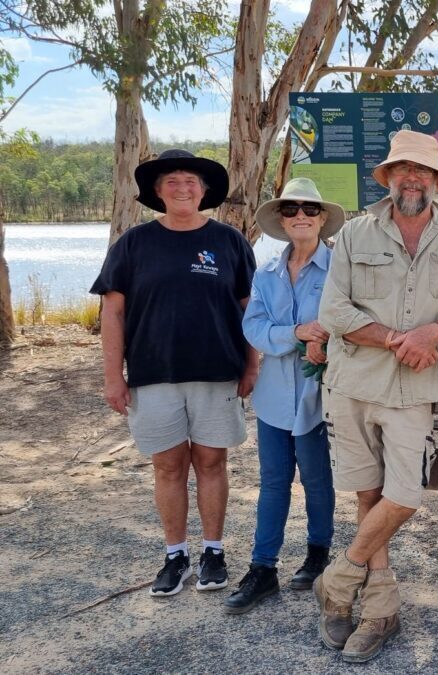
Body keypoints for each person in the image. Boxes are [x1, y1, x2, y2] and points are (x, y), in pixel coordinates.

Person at [315, 130, 438, 663]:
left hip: (416, 387)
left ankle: (340, 580)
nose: (413, 179)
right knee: (368, 495)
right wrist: (395, 338)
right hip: (354, 382)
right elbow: (334, 313)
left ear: (437, 181)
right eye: (402, 170)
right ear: (388, 177)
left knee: (403, 495)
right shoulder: (353, 234)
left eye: (424, 172)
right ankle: (380, 609)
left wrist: (437, 332)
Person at [90, 149, 258, 597]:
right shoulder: (133, 243)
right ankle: (175, 556)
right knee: (167, 467)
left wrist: (251, 364)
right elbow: (113, 313)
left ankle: (214, 552)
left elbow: (251, 310)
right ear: (157, 191)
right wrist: (113, 376)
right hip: (152, 374)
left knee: (211, 462)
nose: (183, 187)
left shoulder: (230, 241)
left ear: (204, 192)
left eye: (191, 181)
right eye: (172, 181)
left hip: (217, 371)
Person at [223, 178, 345, 614]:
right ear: (280, 218)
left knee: (317, 481)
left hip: (319, 397)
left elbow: (352, 322)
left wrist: (325, 340)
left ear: (322, 218)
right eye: (291, 209)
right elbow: (252, 328)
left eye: (309, 209)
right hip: (274, 397)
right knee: (273, 483)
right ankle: (263, 569)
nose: (300, 216)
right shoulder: (266, 273)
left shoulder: (340, 270)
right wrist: (295, 334)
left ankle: (318, 553)